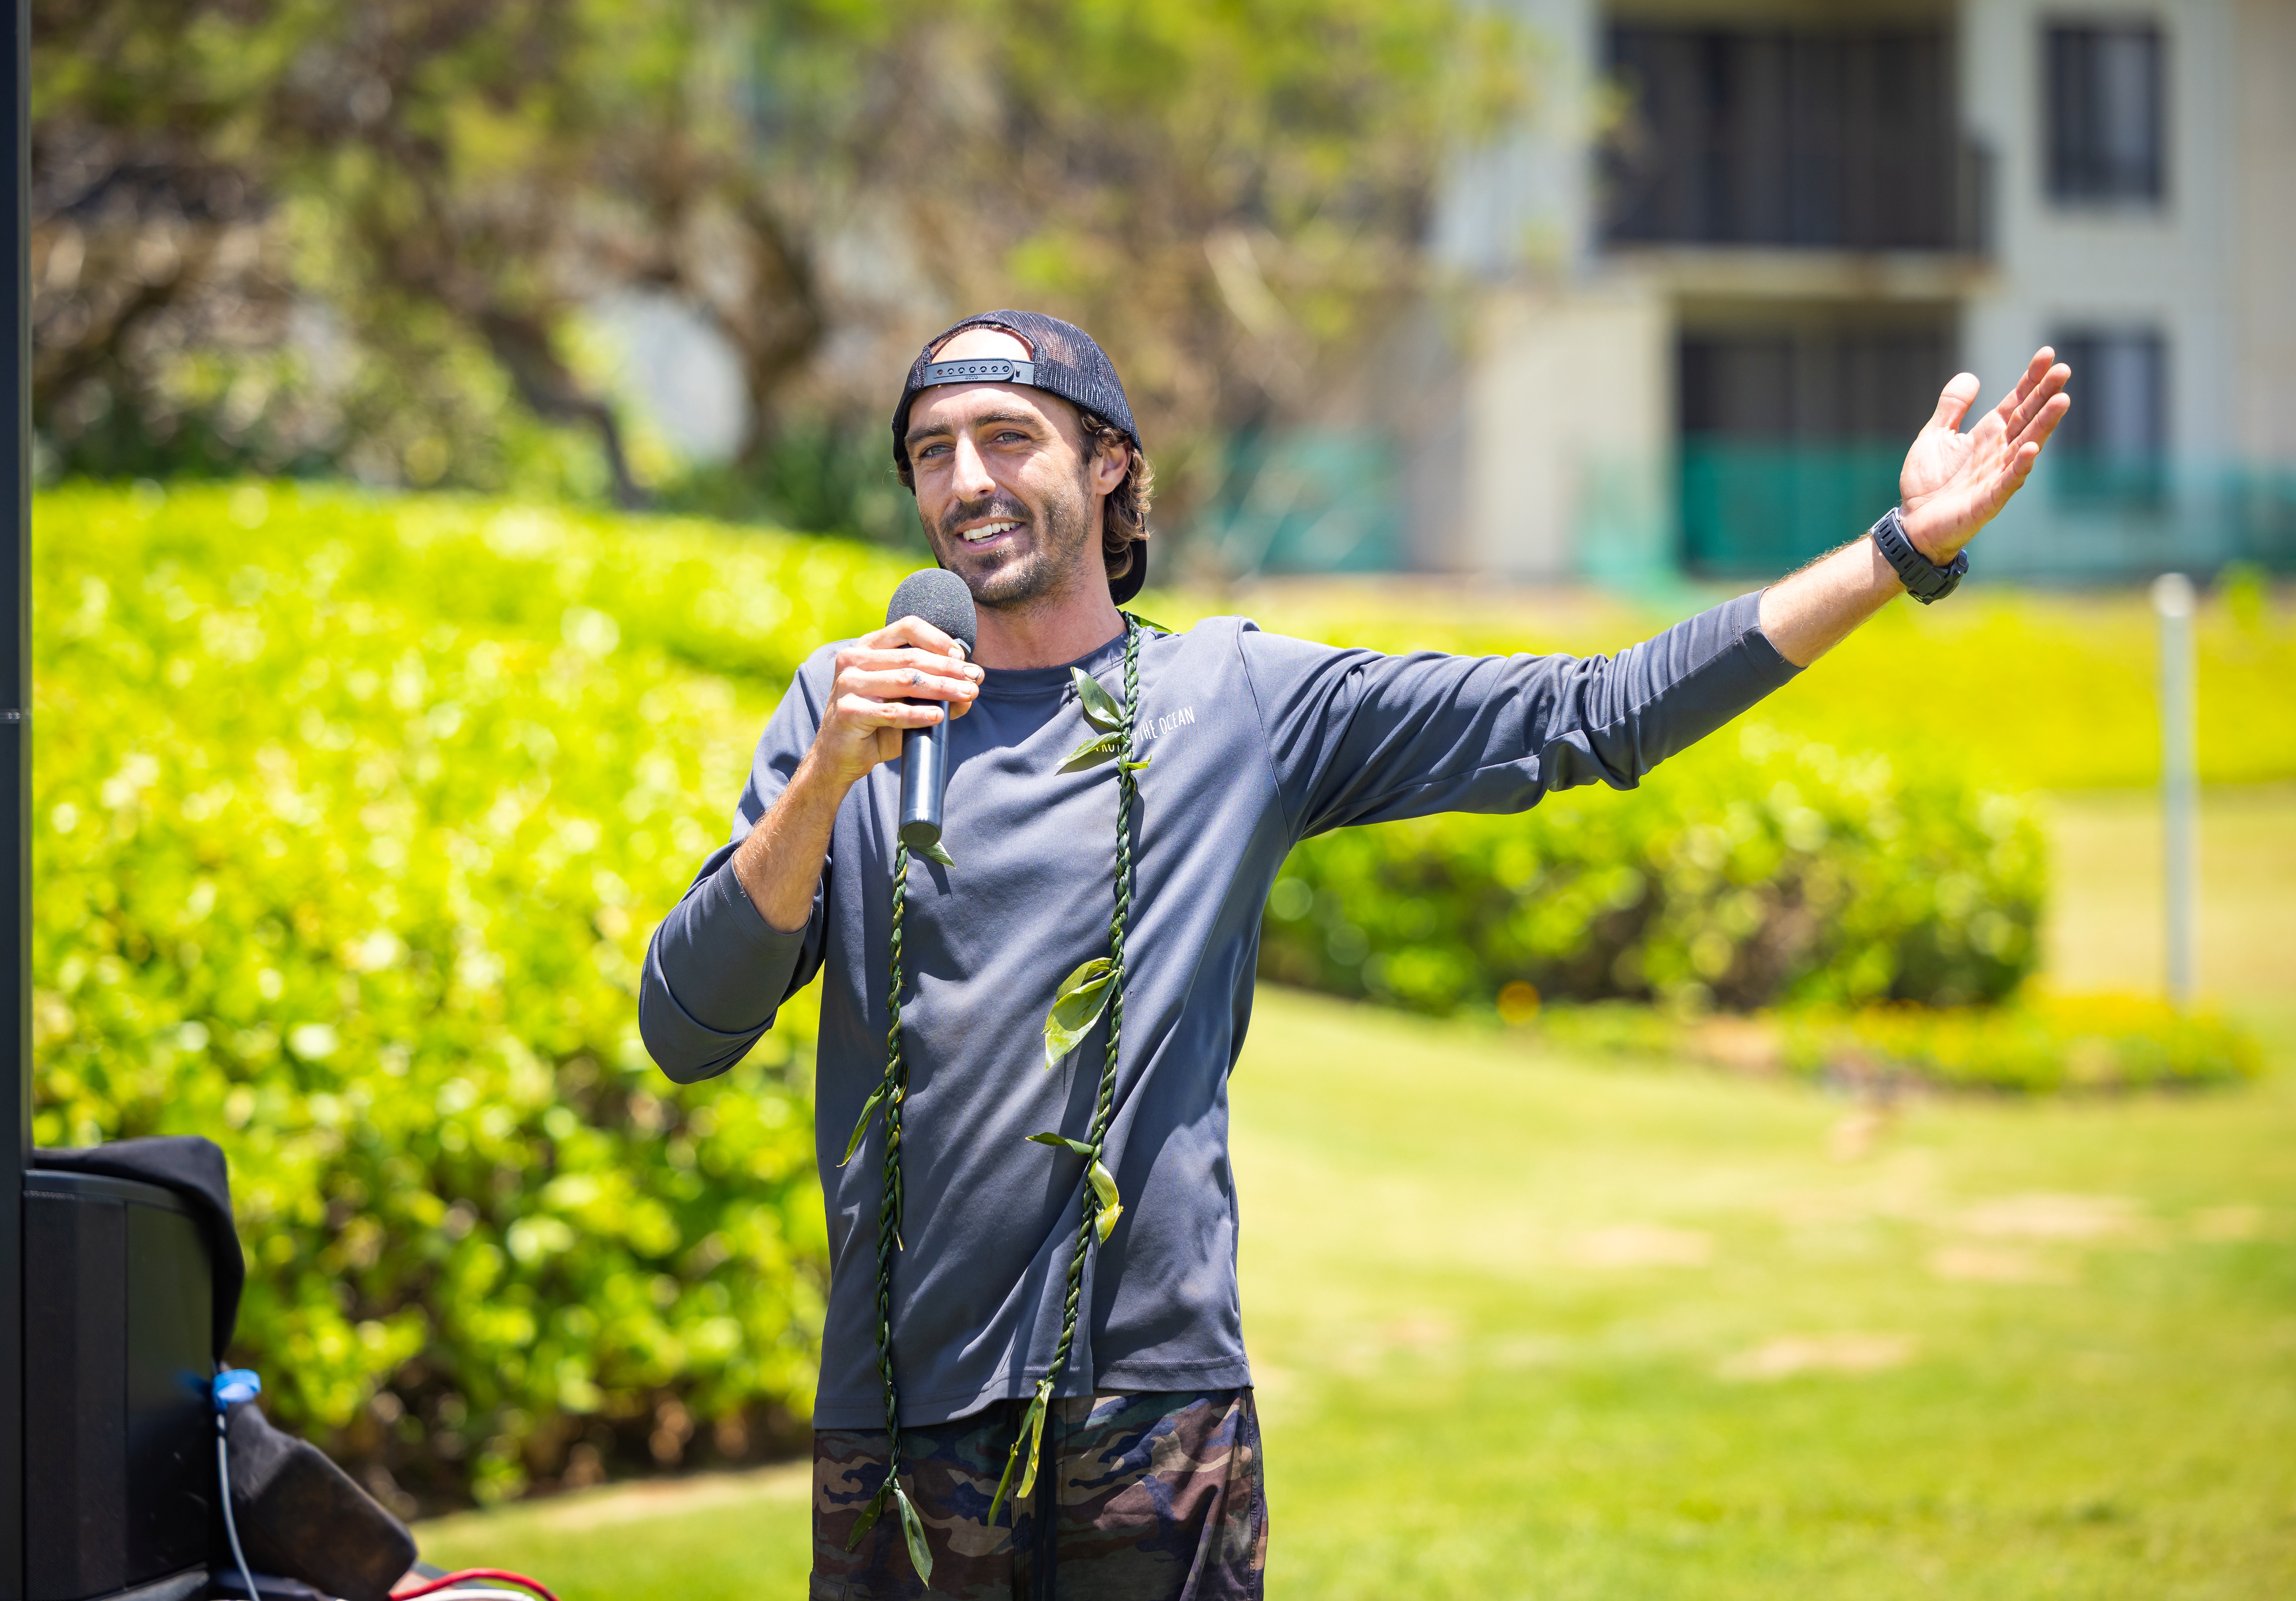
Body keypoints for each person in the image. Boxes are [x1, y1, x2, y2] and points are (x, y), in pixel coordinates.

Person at [640, 309, 2070, 1600]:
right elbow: (687, 1027)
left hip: (1151, 1410)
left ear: (1112, 464)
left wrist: (1897, 553)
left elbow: (1592, 713)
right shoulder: (846, 708)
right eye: (931, 451)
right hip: (898, 1411)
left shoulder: (1232, 699)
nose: (965, 481)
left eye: (1007, 437)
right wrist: (824, 784)